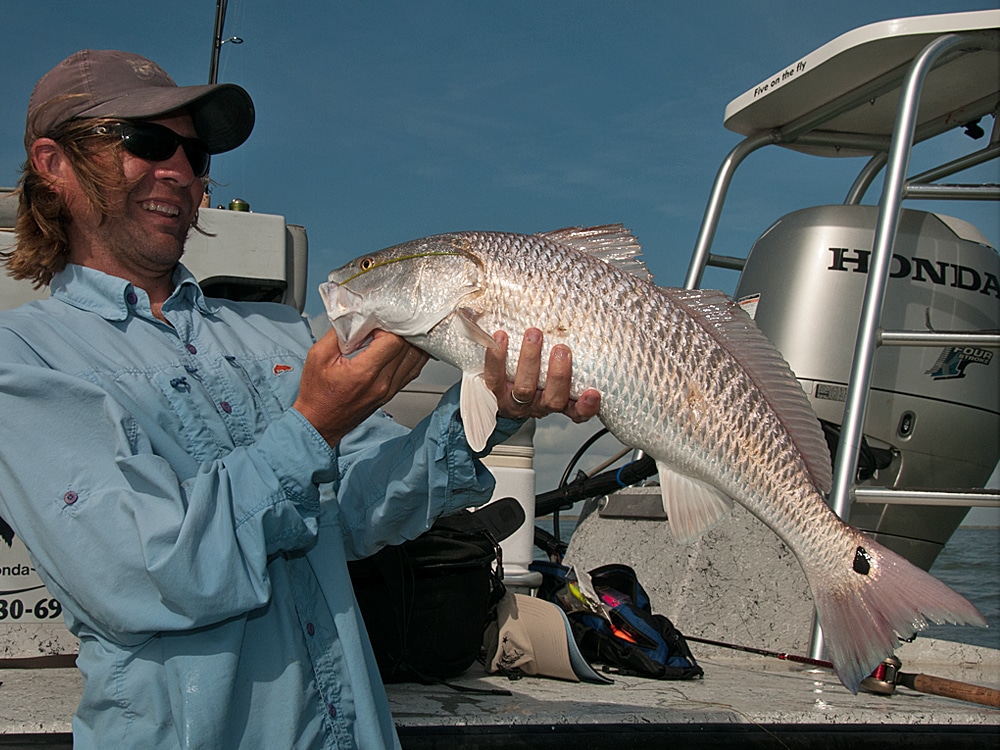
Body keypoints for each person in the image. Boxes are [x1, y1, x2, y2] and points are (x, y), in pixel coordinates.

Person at [0, 49, 601, 749]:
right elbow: (147, 577)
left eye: (194, 155)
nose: (181, 171)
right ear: (53, 162)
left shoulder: (278, 330)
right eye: (146, 142)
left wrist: (491, 409)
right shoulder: (26, 360)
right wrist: (313, 424)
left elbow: (362, 510)